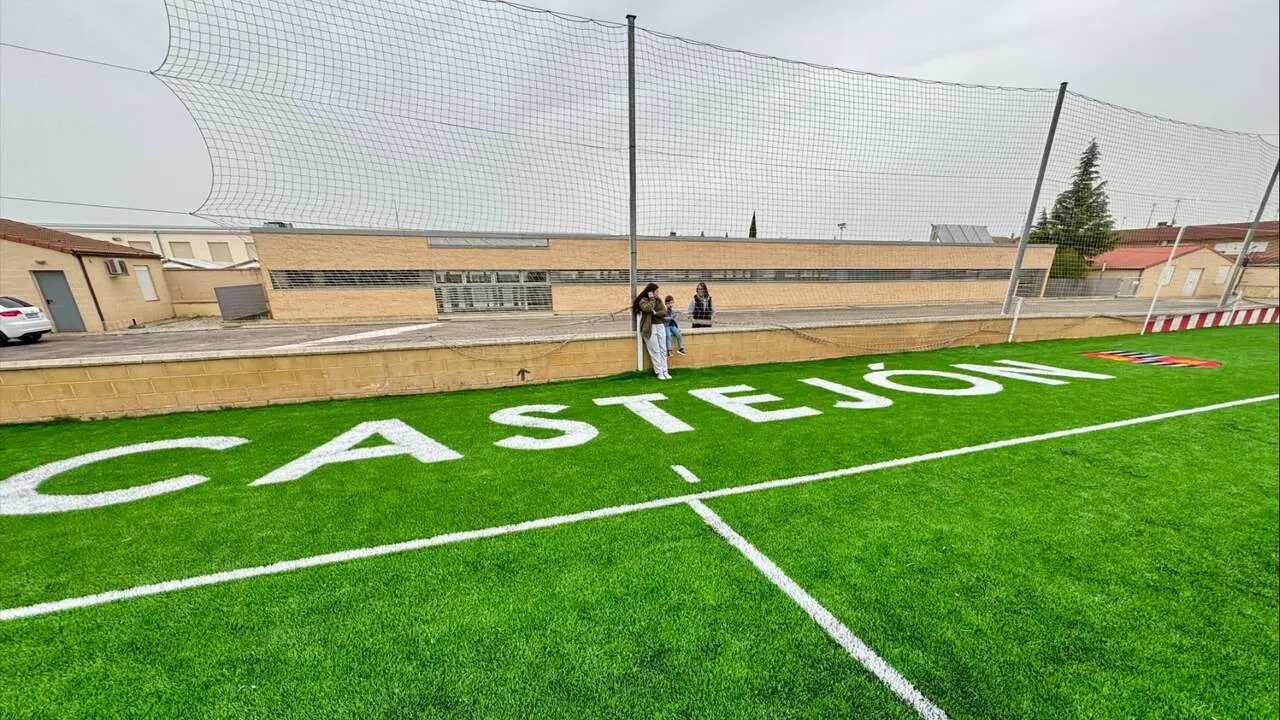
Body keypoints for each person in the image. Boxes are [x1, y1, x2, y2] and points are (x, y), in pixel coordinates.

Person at [632, 282, 670, 379]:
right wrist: (652, 299)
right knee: (655, 351)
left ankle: (665, 370)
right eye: (656, 291)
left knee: (663, 350)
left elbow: (664, 312)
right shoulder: (643, 300)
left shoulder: (659, 300)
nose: (658, 293)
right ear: (651, 292)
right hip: (650, 328)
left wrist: (656, 313)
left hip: (660, 325)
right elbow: (648, 309)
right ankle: (659, 372)